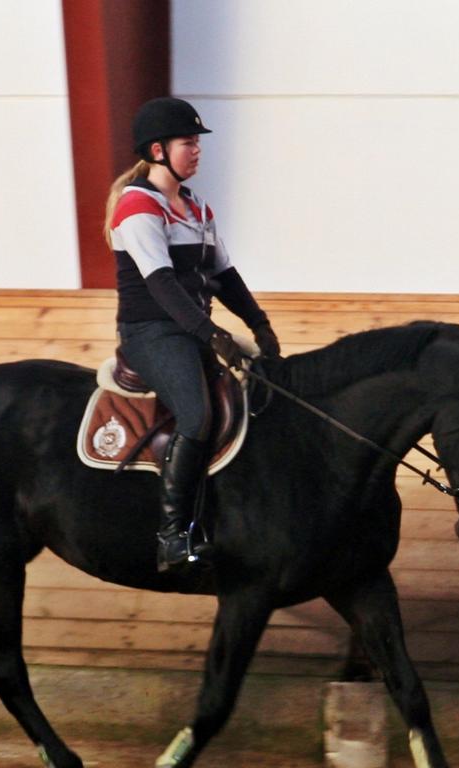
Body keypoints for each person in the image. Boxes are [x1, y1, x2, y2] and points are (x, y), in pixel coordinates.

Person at [104, 96, 281, 573]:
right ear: (158, 150)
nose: (197, 150)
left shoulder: (197, 208)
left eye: (197, 142)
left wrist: (258, 323)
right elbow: (160, 283)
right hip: (152, 331)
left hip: (193, 328)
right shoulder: (137, 205)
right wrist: (210, 333)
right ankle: (171, 535)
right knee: (197, 414)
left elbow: (223, 275)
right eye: (188, 143)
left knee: (265, 390)